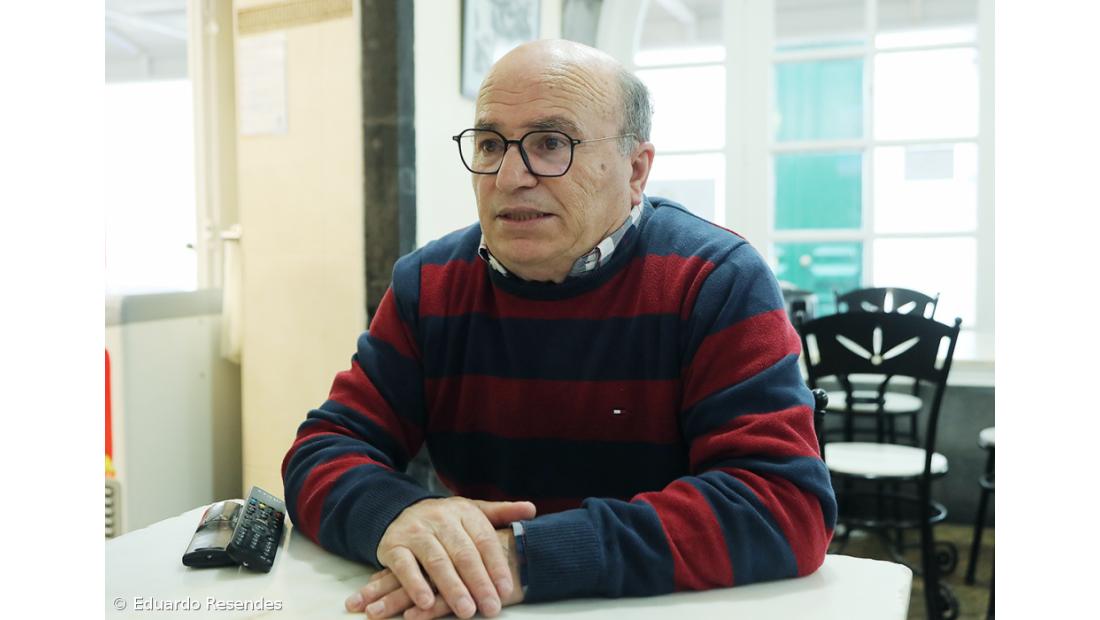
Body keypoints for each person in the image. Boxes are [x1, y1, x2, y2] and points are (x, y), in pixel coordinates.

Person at [281, 39, 836, 620]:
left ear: (636, 170)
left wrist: (528, 557)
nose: (509, 176)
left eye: (550, 143)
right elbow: (323, 449)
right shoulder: (429, 284)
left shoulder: (713, 280)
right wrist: (400, 516)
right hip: (479, 606)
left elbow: (785, 504)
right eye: (490, 144)